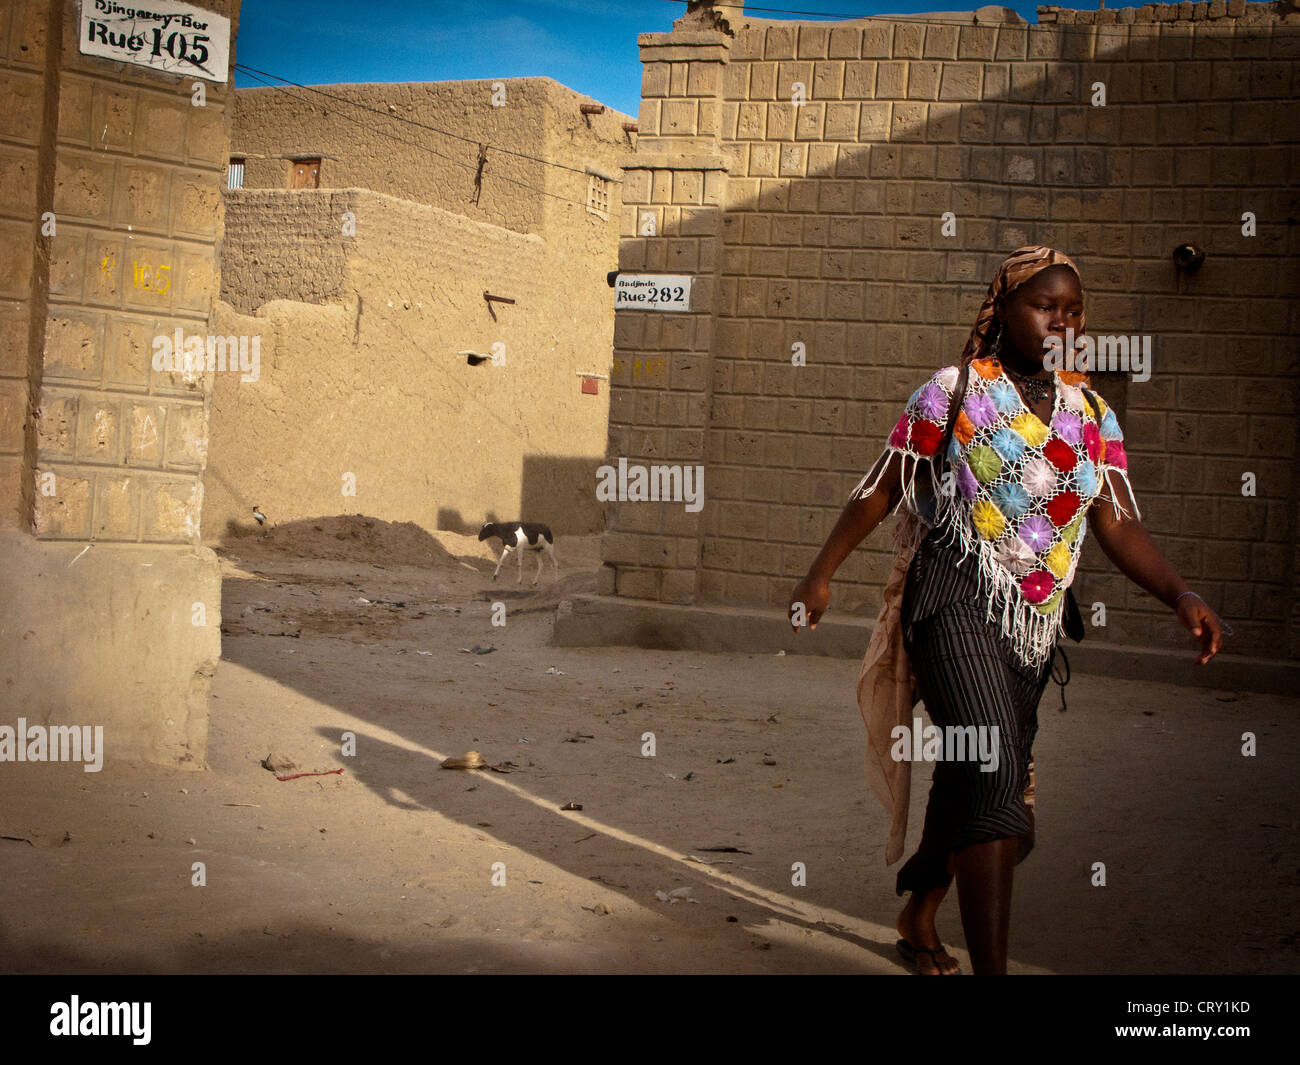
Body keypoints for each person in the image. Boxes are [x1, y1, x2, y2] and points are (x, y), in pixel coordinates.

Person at [787, 245, 1228, 975]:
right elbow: (883, 485)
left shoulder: (1092, 414)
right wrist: (819, 575)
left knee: (974, 772)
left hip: (1033, 624)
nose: (1062, 321)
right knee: (990, 761)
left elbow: (1116, 522)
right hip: (952, 592)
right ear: (1005, 309)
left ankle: (920, 906)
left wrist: (1181, 594)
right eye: (1045, 305)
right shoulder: (955, 390)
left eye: (1075, 311)